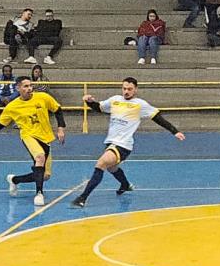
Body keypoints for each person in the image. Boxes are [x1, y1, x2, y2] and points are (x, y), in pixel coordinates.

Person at [72, 78, 185, 208]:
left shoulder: (140, 104)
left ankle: (82, 198)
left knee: (101, 164)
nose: (126, 91)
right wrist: (89, 101)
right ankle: (125, 185)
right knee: (112, 167)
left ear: (135, 89)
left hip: (123, 145)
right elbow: (99, 107)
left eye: (129, 89)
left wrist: (174, 131)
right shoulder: (115, 100)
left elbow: (158, 118)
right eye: (124, 88)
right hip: (111, 142)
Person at [0, 76, 66, 206]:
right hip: (28, 136)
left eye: (30, 85)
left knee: (45, 176)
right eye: (25, 86)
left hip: (45, 137)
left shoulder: (43, 97)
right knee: (40, 157)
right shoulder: (12, 107)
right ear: (18, 88)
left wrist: (60, 129)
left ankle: (14, 180)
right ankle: (39, 194)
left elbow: (58, 110)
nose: (29, 88)